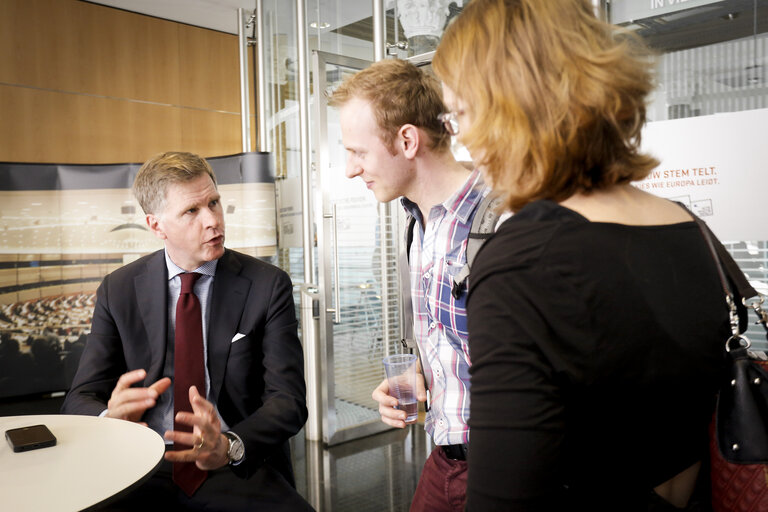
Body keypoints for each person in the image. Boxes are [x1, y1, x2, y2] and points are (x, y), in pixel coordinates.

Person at [432, 1, 730, 510]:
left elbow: (505, 496)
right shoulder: (688, 226)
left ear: (511, 107)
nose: (467, 146)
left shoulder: (524, 258)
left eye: (461, 114)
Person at [62, 151, 312, 511]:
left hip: (230, 458)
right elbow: (78, 397)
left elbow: (287, 401)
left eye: (214, 202)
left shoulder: (267, 285)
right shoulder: (119, 289)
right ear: (156, 225)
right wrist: (109, 418)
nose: (213, 220)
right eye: (192, 211)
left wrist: (227, 446)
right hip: (139, 461)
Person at [330, 58, 493, 511]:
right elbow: (456, 338)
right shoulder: (415, 224)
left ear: (407, 140)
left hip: (502, 467)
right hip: (443, 457)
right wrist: (419, 375)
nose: (349, 169)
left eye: (357, 152)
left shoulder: (502, 223)